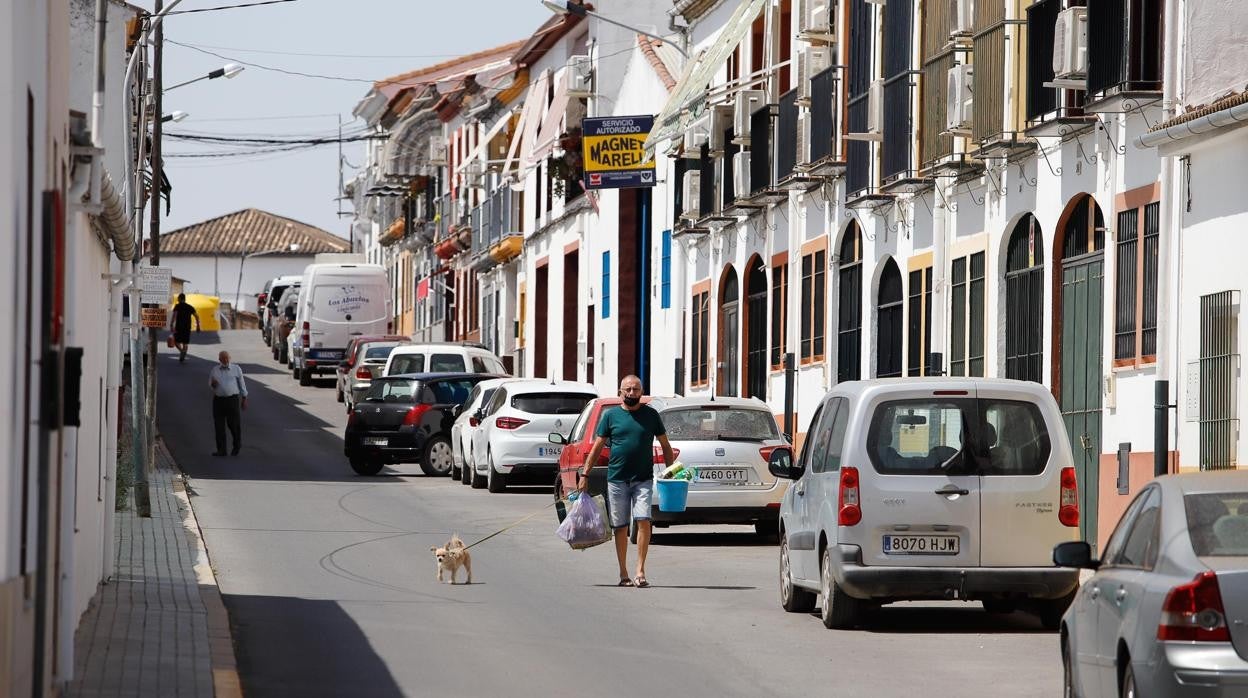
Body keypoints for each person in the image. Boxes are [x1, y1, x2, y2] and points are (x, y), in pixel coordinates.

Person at [580, 375, 674, 588]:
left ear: (641, 391)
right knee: (620, 527)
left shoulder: (651, 415)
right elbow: (596, 447)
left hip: (643, 479)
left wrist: (671, 472)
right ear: (620, 391)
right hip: (617, 480)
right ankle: (623, 573)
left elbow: (665, 445)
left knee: (643, 520)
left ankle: (640, 571)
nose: (632, 393)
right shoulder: (611, 416)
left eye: (636, 389)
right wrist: (585, 475)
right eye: (628, 389)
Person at [208, 351, 248, 456]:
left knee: (233, 424)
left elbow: (242, 384)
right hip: (218, 401)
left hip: (232, 400)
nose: (225, 360)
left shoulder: (236, 369)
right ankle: (221, 450)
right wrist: (213, 384)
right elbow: (210, 384)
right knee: (219, 425)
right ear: (219, 359)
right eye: (223, 358)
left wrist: (244, 398)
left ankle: (237, 445)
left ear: (229, 358)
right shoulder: (215, 370)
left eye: (227, 358)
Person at [169, 293, 201, 363]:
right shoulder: (190, 307)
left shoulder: (177, 306)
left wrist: (171, 325)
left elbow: (174, 316)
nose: (178, 299)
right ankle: (183, 352)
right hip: (187, 327)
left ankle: (182, 351)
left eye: (178, 298)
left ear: (180, 299)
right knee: (185, 343)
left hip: (179, 327)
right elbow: (197, 316)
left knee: (176, 341)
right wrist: (198, 326)